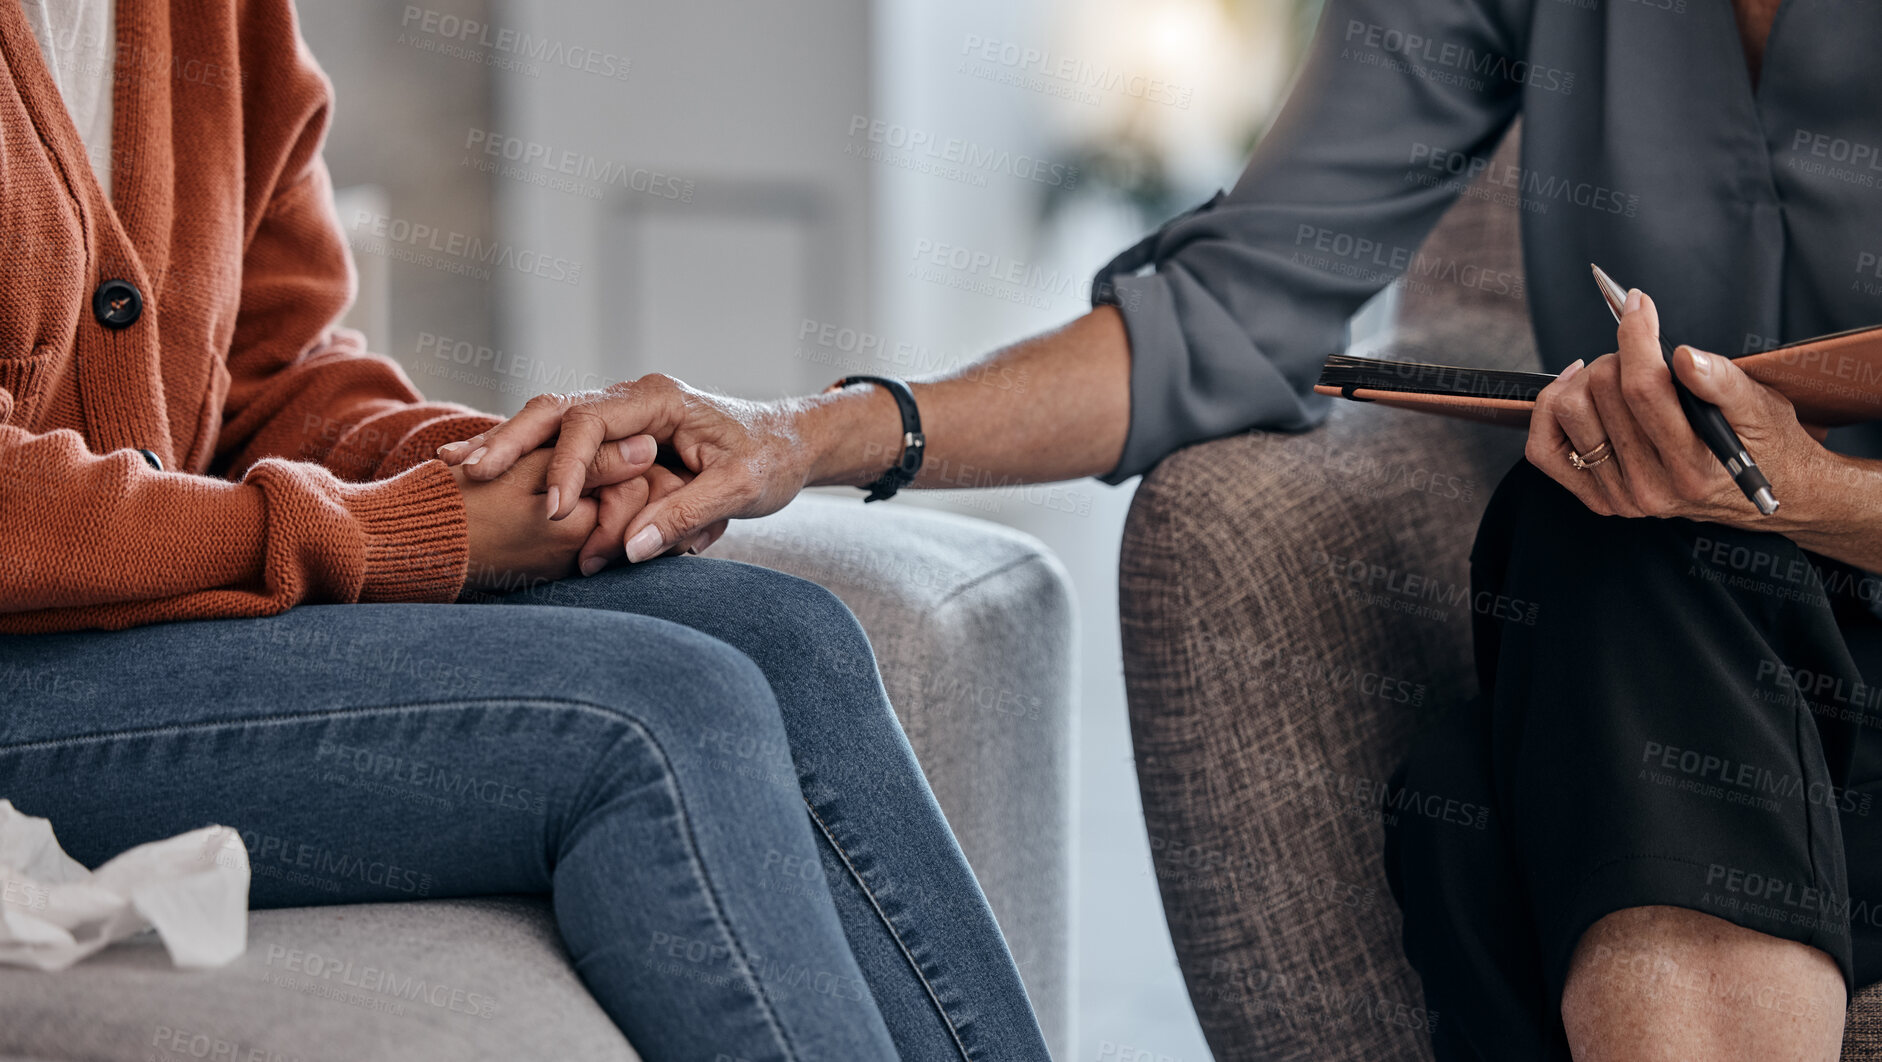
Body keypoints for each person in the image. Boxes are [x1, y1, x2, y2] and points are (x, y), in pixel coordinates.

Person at [451, 0, 1882, 1056]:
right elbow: (1224, 308)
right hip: (1673, 630)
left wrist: (1803, 495)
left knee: (1497, 816)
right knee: (1588, 558)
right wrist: (798, 434)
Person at [0, 1, 1053, 1058]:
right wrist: (396, 532)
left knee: (792, 639)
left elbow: (271, 374)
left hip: (151, 631)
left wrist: (516, 470)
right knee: (659, 713)